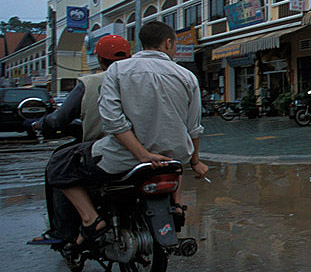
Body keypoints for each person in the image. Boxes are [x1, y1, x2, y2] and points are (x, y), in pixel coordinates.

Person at [46, 21, 209, 247]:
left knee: (59, 163)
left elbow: (112, 121)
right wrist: (195, 161)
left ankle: (90, 219)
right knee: (172, 160)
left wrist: (143, 154)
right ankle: (177, 205)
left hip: (126, 157)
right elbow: (194, 127)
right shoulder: (187, 76)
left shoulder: (118, 70)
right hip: (173, 158)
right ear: (168, 43)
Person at [27, 35, 131, 245]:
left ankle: (66, 229)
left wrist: (38, 124)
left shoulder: (89, 83)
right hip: (142, 147)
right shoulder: (140, 79)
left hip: (100, 149)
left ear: (99, 58)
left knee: (59, 166)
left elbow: (58, 119)